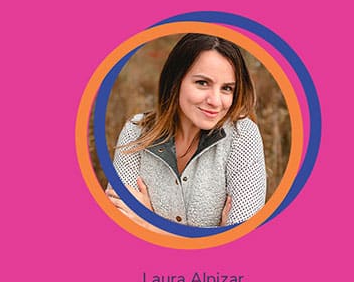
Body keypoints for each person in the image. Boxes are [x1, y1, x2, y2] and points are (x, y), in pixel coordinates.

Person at [105, 34, 267, 232]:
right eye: (202, 83)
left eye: (226, 88)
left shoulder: (242, 135)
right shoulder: (136, 131)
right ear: (176, 80)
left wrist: (151, 225)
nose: (215, 101)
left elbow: (242, 239)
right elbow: (121, 223)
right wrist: (213, 237)